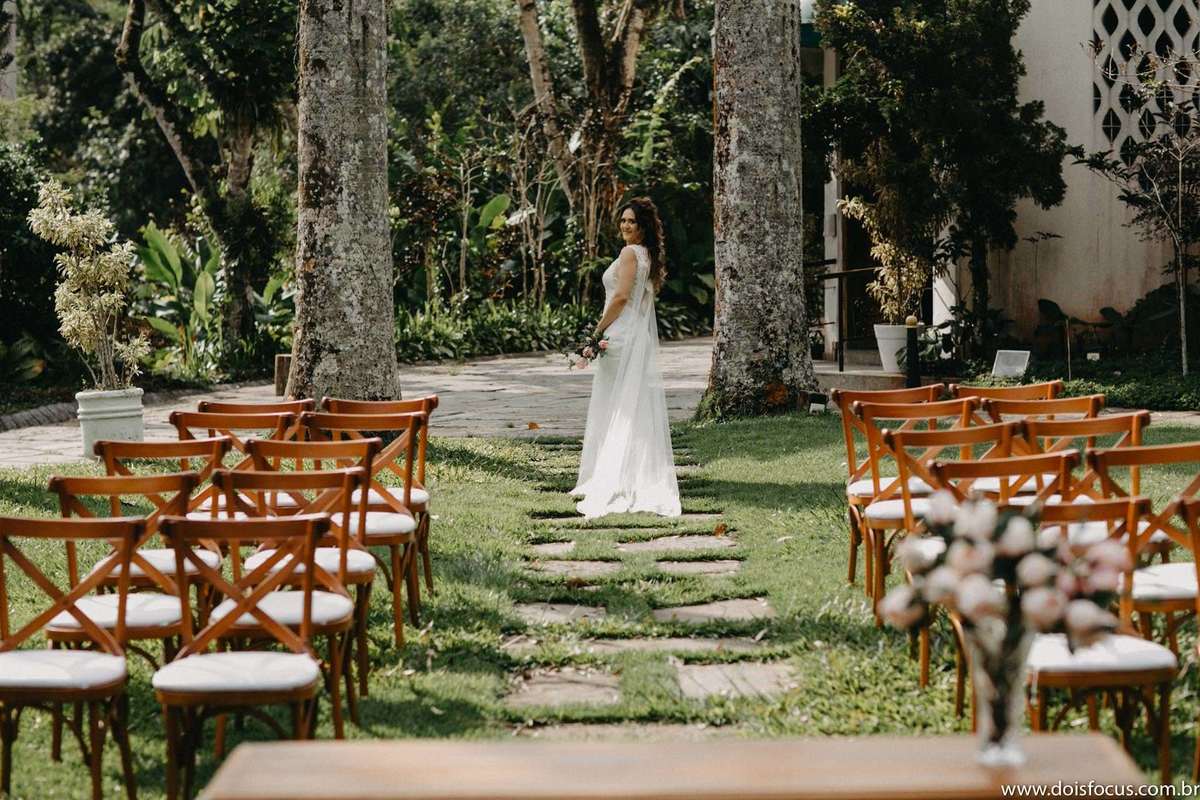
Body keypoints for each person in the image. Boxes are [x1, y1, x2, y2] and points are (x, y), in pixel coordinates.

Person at [570, 197, 681, 519]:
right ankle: (624, 471)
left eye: (631, 221)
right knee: (627, 405)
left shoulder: (630, 253)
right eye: (622, 221)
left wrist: (596, 333)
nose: (625, 226)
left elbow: (619, 298)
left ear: (643, 226)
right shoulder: (647, 255)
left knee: (615, 405)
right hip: (633, 334)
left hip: (620, 334)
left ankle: (615, 475)